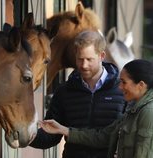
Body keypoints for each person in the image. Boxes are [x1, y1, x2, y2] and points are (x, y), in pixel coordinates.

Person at [30, 30, 126, 158]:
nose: (84, 65)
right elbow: (51, 136)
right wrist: (26, 136)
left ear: (101, 56)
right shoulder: (64, 91)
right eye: (80, 59)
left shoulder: (122, 91)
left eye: (89, 59)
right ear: (75, 55)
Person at [39, 59, 153, 158]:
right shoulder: (134, 110)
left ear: (141, 85)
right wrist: (64, 130)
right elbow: (103, 136)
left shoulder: (148, 112)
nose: (120, 87)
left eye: (124, 82)